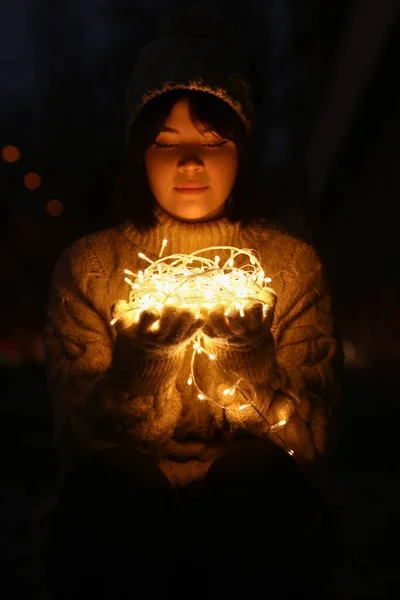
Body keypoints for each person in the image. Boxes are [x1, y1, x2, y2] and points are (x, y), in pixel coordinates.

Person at [33, 5, 342, 599]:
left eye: (212, 139)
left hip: (258, 510)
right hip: (126, 509)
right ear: (139, 154)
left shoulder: (290, 266)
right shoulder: (91, 268)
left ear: (241, 150)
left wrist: (251, 364)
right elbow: (77, 441)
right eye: (166, 142)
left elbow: (315, 441)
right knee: (114, 485)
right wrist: (142, 366)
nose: (191, 161)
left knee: (255, 479)